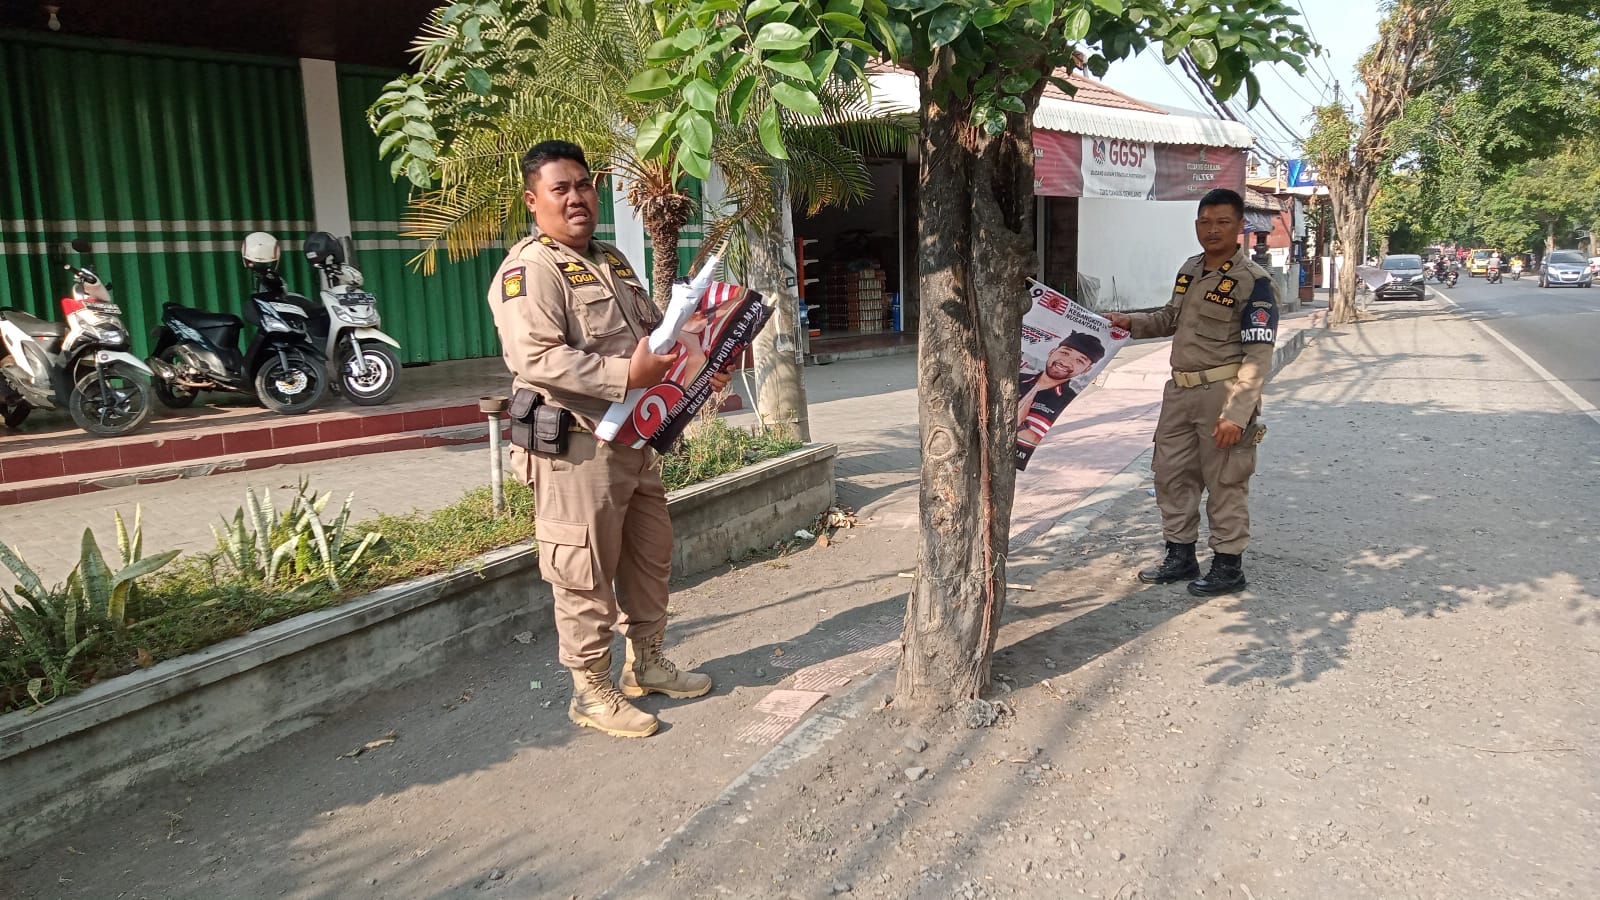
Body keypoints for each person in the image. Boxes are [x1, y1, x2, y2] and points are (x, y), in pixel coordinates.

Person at [486, 140, 729, 739]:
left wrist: (701, 352)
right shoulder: (529, 271)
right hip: (576, 447)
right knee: (583, 569)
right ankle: (591, 691)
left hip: (634, 438)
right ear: (532, 200)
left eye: (584, 185)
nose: (576, 198)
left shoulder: (611, 258)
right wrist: (625, 376)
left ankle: (646, 663)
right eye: (560, 189)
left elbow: (650, 333)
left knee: (650, 553)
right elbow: (536, 357)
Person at [1105, 188, 1279, 597]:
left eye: (1222, 222)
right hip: (1179, 393)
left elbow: (1258, 353)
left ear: (1240, 226)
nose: (1212, 229)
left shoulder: (1253, 282)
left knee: (1225, 480)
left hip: (1222, 392)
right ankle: (1180, 554)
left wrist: (1237, 414)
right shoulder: (1190, 270)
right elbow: (1170, 318)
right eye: (1205, 222)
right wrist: (1125, 321)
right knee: (1171, 474)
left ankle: (1228, 564)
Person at [1016, 331, 1105, 448]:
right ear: (1052, 352)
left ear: (1086, 369)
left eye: (1079, 361)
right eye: (1064, 353)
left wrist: (1018, 426)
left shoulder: (1071, 402)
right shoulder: (1016, 379)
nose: (1066, 362)